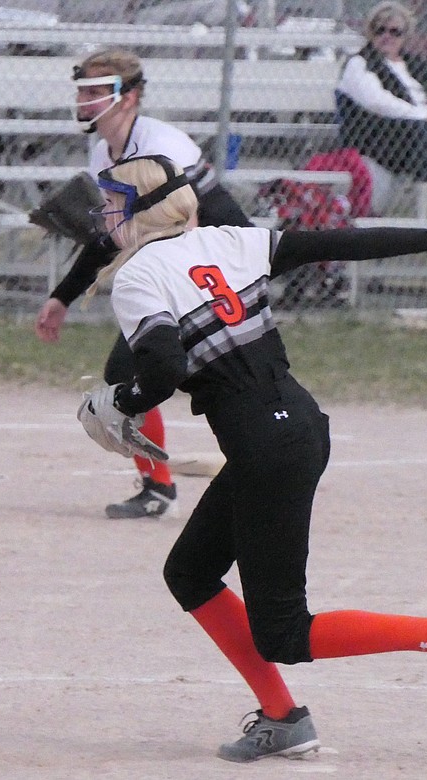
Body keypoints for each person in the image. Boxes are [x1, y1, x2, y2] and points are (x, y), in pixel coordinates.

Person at [78, 153, 427, 762]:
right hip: (296, 428)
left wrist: (118, 401)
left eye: (112, 201)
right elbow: (342, 241)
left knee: (284, 631)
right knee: (190, 572)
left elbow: (164, 367)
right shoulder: (229, 240)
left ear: (142, 208)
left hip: (267, 449)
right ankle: (283, 718)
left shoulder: (137, 276)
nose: (104, 214)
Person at [34, 48, 252, 519]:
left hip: (212, 265)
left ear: (129, 96)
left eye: (98, 91)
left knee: (196, 375)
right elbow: (110, 234)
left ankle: (197, 478)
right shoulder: (103, 151)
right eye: (83, 91)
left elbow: (189, 224)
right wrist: (61, 297)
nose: (86, 100)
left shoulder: (160, 145)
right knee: (147, 372)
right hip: (174, 269)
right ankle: (165, 484)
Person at [336, 1, 427, 186]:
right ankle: (425, 194)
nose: (387, 36)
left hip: (425, 131)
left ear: (405, 36)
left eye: (395, 32)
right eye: (380, 30)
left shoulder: (416, 64)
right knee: (425, 132)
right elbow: (376, 101)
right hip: (382, 135)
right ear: (371, 33)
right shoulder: (359, 63)